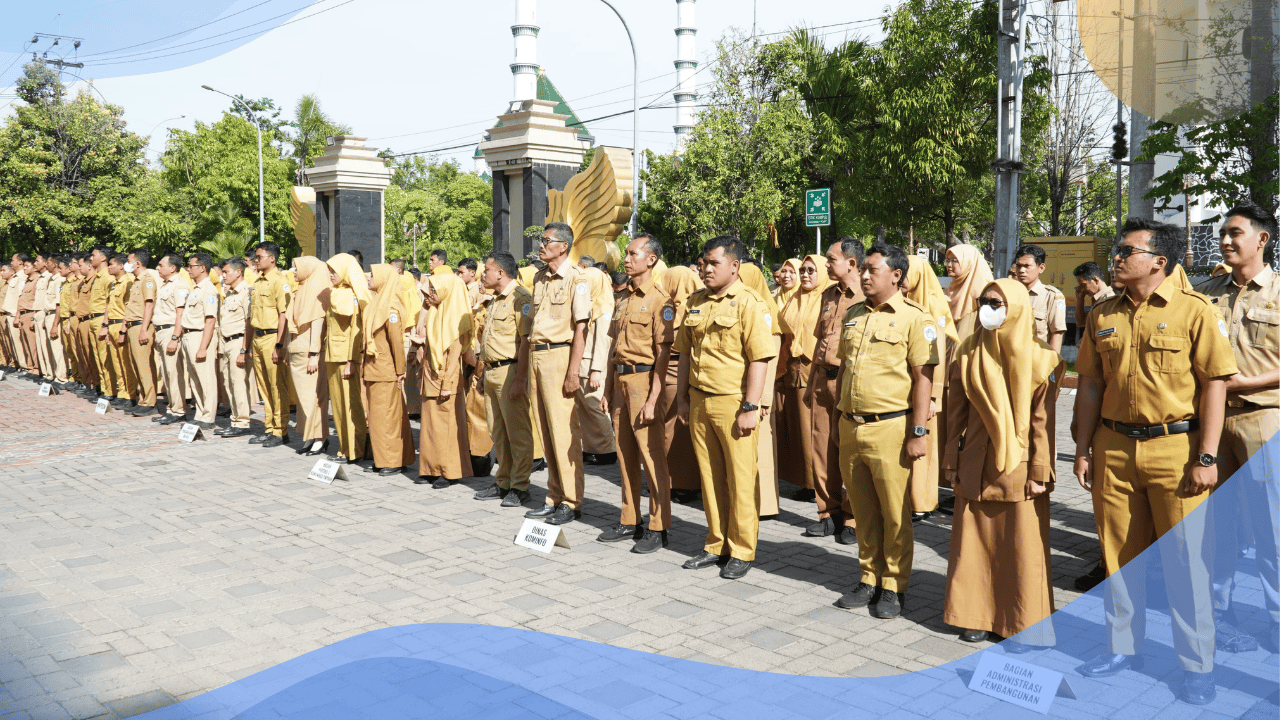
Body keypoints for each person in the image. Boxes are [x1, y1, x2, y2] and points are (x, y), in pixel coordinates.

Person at [1073, 218, 1236, 705]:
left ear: (1158, 261)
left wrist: (1206, 456)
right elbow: (1089, 385)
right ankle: (1124, 647)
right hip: (1115, 448)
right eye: (1117, 250)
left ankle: (1196, 663)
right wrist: (1082, 449)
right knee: (1120, 555)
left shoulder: (1194, 311)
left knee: (1186, 562)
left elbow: (1215, 385)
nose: (1116, 257)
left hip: (1176, 451)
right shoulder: (1103, 314)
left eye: (1126, 250)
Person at [943, 278, 1062, 649]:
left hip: (1021, 466)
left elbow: (1044, 423)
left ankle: (1022, 619)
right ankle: (974, 616)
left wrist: (1041, 471)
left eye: (997, 303)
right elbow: (954, 415)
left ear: (1017, 308)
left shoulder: (1043, 359)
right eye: (984, 302)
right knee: (974, 542)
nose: (988, 309)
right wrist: (950, 461)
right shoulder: (966, 353)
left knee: (1020, 546)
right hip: (976, 461)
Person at [835, 242, 938, 619]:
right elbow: (846, 368)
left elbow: (923, 379)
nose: (863, 275)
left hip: (891, 427)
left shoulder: (915, 318)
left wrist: (919, 431)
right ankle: (868, 576)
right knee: (862, 509)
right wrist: (837, 417)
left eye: (872, 270)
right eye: (862, 269)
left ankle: (894, 585)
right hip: (852, 425)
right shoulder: (853, 314)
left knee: (895, 513)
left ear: (896, 275)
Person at [1198, 202, 1278, 654]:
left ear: (1262, 239)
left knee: (1272, 529)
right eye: (1223, 234)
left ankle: (1276, 621)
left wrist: (1249, 381)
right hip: (1211, 424)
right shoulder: (1206, 292)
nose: (1226, 240)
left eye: (1235, 233)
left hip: (1264, 418)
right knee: (1214, 526)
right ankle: (1219, 613)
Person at [675, 236, 776, 580]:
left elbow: (759, 358)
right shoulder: (695, 302)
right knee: (710, 477)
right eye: (703, 263)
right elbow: (685, 353)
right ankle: (715, 543)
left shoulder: (750, 303)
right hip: (700, 401)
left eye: (713, 263)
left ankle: (742, 550)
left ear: (734, 266)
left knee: (740, 478)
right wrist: (683, 398)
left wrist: (752, 405)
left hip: (734, 404)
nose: (705, 269)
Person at [598, 235, 676, 553]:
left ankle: (659, 526)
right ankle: (630, 519)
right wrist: (605, 389)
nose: (626, 259)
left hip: (644, 382)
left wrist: (654, 399)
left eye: (633, 254)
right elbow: (611, 349)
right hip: (619, 383)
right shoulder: (623, 298)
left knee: (651, 456)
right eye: (627, 254)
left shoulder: (660, 300)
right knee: (625, 454)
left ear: (652, 259)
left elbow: (663, 354)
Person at [519, 222, 594, 526]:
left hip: (560, 357)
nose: (541, 244)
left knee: (564, 432)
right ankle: (554, 496)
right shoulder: (539, 278)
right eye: (541, 239)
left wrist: (573, 371)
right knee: (546, 431)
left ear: (563, 246)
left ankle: (572, 501)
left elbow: (581, 327)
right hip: (538, 356)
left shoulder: (578, 279)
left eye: (547, 240)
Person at [801, 238, 865, 543]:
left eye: (831, 259)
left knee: (850, 451)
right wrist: (812, 382)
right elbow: (820, 342)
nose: (826, 264)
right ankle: (828, 513)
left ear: (851, 263)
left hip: (850, 382)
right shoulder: (828, 295)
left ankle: (853, 517)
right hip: (822, 381)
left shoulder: (867, 296)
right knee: (822, 449)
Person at [473, 252, 535, 507]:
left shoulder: (521, 298)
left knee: (518, 433)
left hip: (510, 372)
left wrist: (520, 379)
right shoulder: (496, 299)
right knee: (498, 432)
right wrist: (481, 372)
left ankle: (520, 487)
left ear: (500, 272)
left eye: (486, 269)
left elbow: (526, 341)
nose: (482, 274)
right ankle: (503, 482)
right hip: (491, 372)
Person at [903, 256, 958, 519]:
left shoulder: (933, 305)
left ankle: (922, 502)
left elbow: (937, 356)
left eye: (906, 273)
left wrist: (934, 396)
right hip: (908, 388)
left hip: (927, 390)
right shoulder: (905, 303)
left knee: (923, 445)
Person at [414, 260, 475, 487]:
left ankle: (449, 472)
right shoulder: (436, 314)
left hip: (444, 381)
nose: (428, 294)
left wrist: (448, 383)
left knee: (447, 427)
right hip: (430, 376)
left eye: (432, 290)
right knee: (430, 426)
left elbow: (454, 355)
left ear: (446, 291)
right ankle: (430, 468)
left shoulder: (456, 319)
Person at [777, 254, 830, 510]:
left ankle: (815, 484)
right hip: (792, 366)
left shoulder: (827, 298)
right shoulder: (794, 298)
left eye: (811, 270)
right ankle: (805, 481)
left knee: (811, 426)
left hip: (812, 367)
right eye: (804, 270)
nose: (806, 274)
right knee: (796, 424)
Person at [655, 264, 704, 501]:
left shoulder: (689, 308)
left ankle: (683, 483)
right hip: (671, 374)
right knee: (669, 430)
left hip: (678, 374)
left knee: (677, 432)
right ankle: (675, 481)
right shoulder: (675, 306)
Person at [739, 261, 783, 517]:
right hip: (747, 394)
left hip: (759, 399)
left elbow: (770, 361)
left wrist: (763, 399)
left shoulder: (765, 315)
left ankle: (764, 505)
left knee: (762, 452)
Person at [363, 264, 416, 475]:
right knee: (379, 417)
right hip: (374, 368)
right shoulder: (377, 302)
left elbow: (396, 342)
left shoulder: (391, 308)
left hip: (386, 370)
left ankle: (391, 461)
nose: (369, 277)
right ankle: (387, 457)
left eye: (373, 275)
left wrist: (400, 370)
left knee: (387, 417)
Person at [324, 253, 369, 464]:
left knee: (351, 405)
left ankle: (355, 449)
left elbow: (356, 330)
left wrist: (352, 360)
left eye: (334, 270)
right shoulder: (335, 292)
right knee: (339, 407)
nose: (330, 274)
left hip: (346, 358)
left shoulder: (354, 294)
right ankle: (344, 447)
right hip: (333, 355)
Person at [287, 257, 332, 456]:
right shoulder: (301, 290)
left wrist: (314, 353)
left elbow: (317, 324)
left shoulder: (316, 293)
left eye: (297, 268)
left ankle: (320, 438)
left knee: (313, 398)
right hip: (297, 350)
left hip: (309, 353)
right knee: (302, 399)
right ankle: (309, 436)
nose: (294, 272)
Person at [249, 242, 291, 447]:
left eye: (259, 257)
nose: (256, 260)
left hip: (272, 338)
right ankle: (269, 427)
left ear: (272, 258)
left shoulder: (279, 281)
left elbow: (283, 314)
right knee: (263, 387)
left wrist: (279, 344)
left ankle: (280, 430)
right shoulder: (258, 281)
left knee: (276, 386)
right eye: (256, 258)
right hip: (257, 338)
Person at [577, 262, 617, 466]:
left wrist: (596, 370)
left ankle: (607, 450)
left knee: (596, 408)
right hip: (584, 365)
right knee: (586, 410)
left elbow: (603, 342)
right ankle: (593, 448)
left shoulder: (604, 308)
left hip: (594, 367)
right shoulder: (592, 305)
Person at [176, 253, 220, 430]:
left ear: (202, 267)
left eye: (191, 266)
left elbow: (210, 320)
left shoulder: (208, 289)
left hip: (200, 335)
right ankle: (200, 413)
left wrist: (203, 347)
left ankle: (208, 416)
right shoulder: (196, 289)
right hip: (189, 335)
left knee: (206, 378)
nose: (188, 269)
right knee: (195, 379)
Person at [214, 258, 253, 438]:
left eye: (226, 272)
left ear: (238, 272)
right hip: (227, 342)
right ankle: (235, 419)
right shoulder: (230, 294)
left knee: (238, 384)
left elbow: (248, 323)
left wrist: (244, 350)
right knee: (229, 384)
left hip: (238, 342)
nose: (223, 276)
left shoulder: (246, 292)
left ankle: (242, 422)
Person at [151, 254, 190, 424]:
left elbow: (180, 314)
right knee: (167, 373)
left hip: (170, 332)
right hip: (161, 331)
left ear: (172, 268)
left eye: (161, 265)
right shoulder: (165, 285)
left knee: (174, 373)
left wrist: (175, 337)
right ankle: (171, 408)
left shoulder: (180, 285)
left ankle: (178, 410)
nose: (158, 268)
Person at [121, 249, 159, 416]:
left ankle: (150, 402)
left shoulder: (147, 280)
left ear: (137, 263)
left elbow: (149, 305)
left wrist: (144, 329)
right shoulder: (136, 281)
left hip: (140, 326)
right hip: (132, 325)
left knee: (144, 366)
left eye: (129, 260)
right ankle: (143, 398)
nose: (127, 264)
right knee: (136, 365)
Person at [1011, 244, 1067, 353]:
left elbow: (1057, 333)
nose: (1021, 270)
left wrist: (1051, 365)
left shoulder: (1051, 296)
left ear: (1041, 268)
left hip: (1036, 362)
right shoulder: (1009, 294)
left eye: (1027, 266)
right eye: (1018, 265)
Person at [103, 254, 137, 410]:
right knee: (117, 363)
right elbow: (108, 306)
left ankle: (130, 394)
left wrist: (123, 330)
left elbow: (128, 308)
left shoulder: (127, 282)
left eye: (111, 264)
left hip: (122, 325)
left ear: (121, 266)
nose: (109, 267)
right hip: (112, 325)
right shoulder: (113, 283)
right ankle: (122, 393)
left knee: (125, 363)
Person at [1073, 261, 1114, 344]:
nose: (1083, 290)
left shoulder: (1108, 300)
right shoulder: (1098, 299)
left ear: (1095, 280)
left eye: (1083, 285)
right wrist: (1080, 299)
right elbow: (1081, 322)